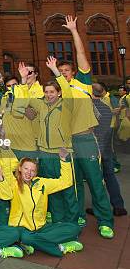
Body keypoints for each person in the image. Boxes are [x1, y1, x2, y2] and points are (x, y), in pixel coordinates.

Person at [57, 15, 114, 237]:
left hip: (86, 139)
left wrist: (73, 30)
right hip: (68, 142)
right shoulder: (59, 93)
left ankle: (105, 220)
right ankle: (77, 216)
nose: (64, 74)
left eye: (66, 71)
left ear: (74, 73)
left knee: (95, 182)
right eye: (60, 72)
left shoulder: (83, 83)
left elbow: (81, 54)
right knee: (74, 183)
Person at [18, 57, 78, 225]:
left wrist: (56, 71)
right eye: (46, 92)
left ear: (58, 92)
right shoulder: (41, 105)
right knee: (52, 192)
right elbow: (25, 100)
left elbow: (67, 89)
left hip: (62, 154)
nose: (49, 94)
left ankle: (72, 223)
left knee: (67, 190)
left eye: (52, 92)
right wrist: (23, 80)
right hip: (44, 153)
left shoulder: (67, 104)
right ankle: (59, 222)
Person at [11, 148, 83, 257]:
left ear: (36, 172)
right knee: (26, 237)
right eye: (26, 168)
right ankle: (60, 248)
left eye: (32, 170)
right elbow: (4, 176)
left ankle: (32, 244)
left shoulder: (42, 183)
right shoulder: (13, 184)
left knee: (74, 228)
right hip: (23, 230)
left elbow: (66, 182)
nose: (29, 173)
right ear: (20, 168)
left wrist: (64, 160)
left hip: (42, 228)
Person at [91, 83, 127, 216]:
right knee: (109, 173)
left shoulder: (95, 106)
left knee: (96, 176)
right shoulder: (103, 104)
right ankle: (118, 205)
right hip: (105, 139)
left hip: (97, 141)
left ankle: (101, 208)